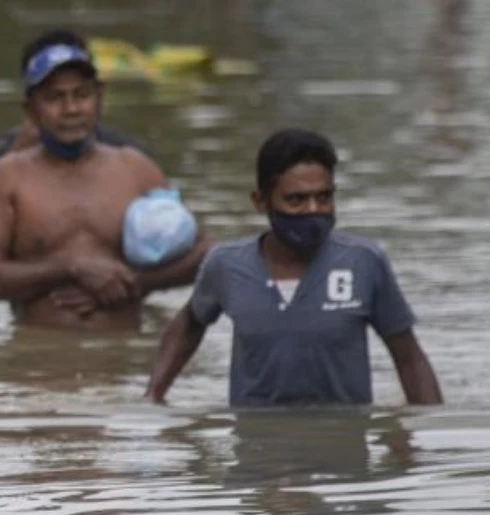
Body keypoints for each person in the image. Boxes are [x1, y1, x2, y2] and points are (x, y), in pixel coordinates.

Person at [144, 129, 444, 406]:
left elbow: (408, 356)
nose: (313, 210)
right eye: (296, 200)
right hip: (257, 450)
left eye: (324, 197)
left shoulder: (363, 262)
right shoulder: (226, 265)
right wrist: (154, 396)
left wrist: (429, 437)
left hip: (343, 449)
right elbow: (188, 325)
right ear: (261, 202)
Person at [0, 29, 211, 330]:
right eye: (54, 98)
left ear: (100, 98)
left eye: (82, 95)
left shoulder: (135, 167)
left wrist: (137, 283)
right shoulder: (7, 175)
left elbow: (206, 251)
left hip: (125, 362)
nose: (71, 109)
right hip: (39, 364)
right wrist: (70, 268)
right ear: (30, 110)